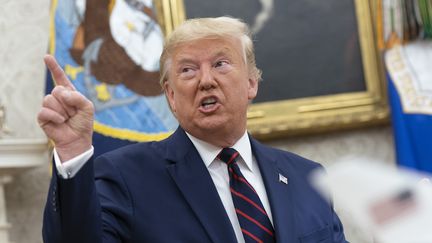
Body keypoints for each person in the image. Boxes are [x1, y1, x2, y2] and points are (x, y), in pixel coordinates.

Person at [39, 17, 348, 243]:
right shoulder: (126, 177)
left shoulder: (308, 179)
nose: (206, 80)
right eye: (187, 70)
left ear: (251, 82)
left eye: (221, 64)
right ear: (171, 95)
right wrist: (74, 151)